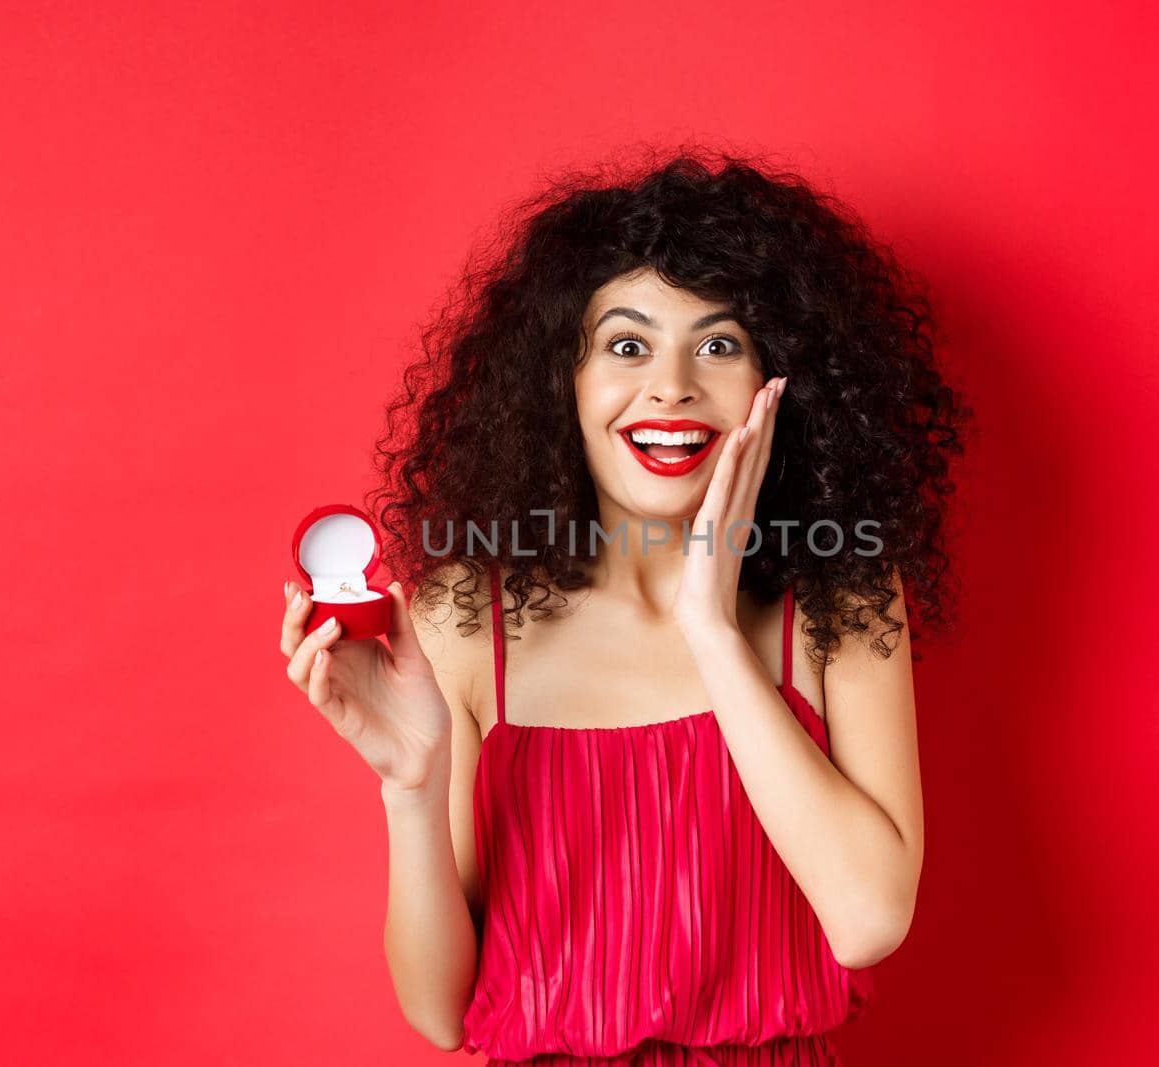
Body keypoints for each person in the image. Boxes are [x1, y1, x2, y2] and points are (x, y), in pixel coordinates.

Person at [279, 147, 969, 1065]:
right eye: (627, 344)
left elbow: (868, 920)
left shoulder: (837, 598)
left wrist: (712, 627)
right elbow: (441, 1013)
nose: (672, 385)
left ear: (781, 380)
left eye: (718, 344)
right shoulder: (466, 618)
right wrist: (410, 786)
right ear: (559, 381)